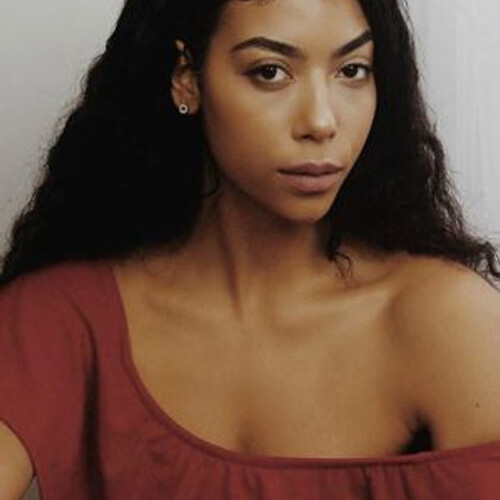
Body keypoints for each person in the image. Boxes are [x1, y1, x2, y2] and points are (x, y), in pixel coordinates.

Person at [1, 0, 500, 498]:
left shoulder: (447, 319)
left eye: (352, 70)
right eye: (270, 72)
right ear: (187, 79)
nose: (322, 121)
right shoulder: (64, 315)